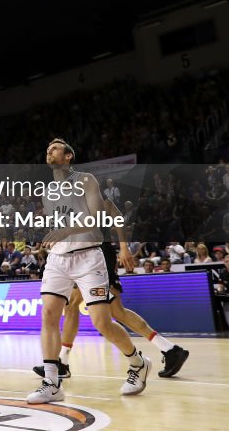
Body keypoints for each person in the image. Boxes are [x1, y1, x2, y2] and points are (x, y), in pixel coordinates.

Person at [28, 138, 150, 404]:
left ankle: (138, 362)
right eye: (47, 148)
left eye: (56, 148)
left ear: (69, 156)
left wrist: (65, 231)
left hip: (88, 258)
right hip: (58, 259)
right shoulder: (47, 191)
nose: (49, 151)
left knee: (101, 322)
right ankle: (52, 382)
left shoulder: (86, 180)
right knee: (49, 314)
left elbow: (94, 217)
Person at [32, 219, 189, 380]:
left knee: (97, 310)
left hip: (94, 253)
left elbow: (116, 214)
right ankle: (169, 349)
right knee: (103, 309)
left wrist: (123, 246)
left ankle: (63, 364)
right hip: (78, 255)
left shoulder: (90, 195)